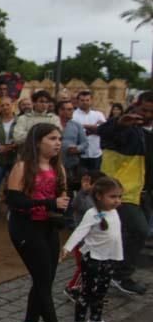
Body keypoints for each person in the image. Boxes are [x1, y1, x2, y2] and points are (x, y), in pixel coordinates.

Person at [6, 124, 83, 322]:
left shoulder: (56, 166)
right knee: (41, 279)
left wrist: (61, 211)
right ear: (38, 141)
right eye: (52, 138)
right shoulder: (22, 166)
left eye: (59, 138)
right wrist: (50, 204)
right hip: (25, 228)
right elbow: (14, 201)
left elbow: (62, 197)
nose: (58, 142)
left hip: (48, 227)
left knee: (46, 279)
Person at [96, 92, 153, 296]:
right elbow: (103, 131)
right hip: (122, 191)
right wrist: (120, 122)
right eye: (144, 109)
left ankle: (111, 269)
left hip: (144, 192)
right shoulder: (126, 127)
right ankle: (120, 274)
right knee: (139, 230)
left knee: (131, 233)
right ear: (136, 106)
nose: (147, 114)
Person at [61, 176, 124, 322]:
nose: (117, 200)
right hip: (93, 258)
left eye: (119, 196)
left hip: (109, 258)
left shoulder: (114, 212)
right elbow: (80, 231)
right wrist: (67, 247)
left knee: (102, 290)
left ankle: (96, 320)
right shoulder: (92, 213)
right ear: (99, 196)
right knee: (87, 291)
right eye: (113, 196)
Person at [64, 170, 105, 302]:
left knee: (92, 269)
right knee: (84, 268)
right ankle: (72, 288)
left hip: (94, 241)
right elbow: (76, 204)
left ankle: (88, 290)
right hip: (83, 242)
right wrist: (84, 191)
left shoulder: (99, 201)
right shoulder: (84, 199)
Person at [57, 99, 88, 194]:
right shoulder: (52, 124)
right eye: (68, 109)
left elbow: (85, 143)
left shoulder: (76, 126)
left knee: (69, 191)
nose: (71, 112)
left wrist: (77, 149)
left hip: (71, 165)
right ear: (60, 111)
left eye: (72, 109)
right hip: (54, 163)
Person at [72, 90, 106, 172]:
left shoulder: (98, 114)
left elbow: (104, 130)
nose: (85, 102)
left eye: (87, 100)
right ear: (78, 101)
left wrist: (84, 127)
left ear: (91, 101)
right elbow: (74, 133)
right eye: (82, 100)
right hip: (79, 155)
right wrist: (94, 128)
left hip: (96, 153)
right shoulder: (73, 115)